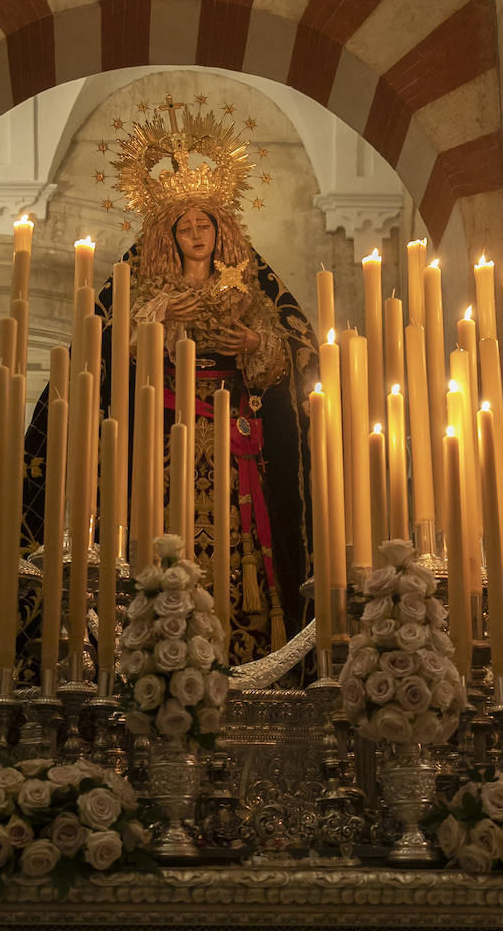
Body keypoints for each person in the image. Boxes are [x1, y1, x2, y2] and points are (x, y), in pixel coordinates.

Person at [21, 99, 317, 666]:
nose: (197, 233)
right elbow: (113, 355)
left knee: (243, 537)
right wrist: (155, 321)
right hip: (165, 431)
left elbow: (285, 354)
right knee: (164, 522)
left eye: (205, 224)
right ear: (170, 236)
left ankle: (246, 642)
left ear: (220, 229)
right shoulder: (148, 289)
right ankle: (160, 638)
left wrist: (254, 345)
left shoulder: (248, 287)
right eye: (185, 227)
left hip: (237, 438)